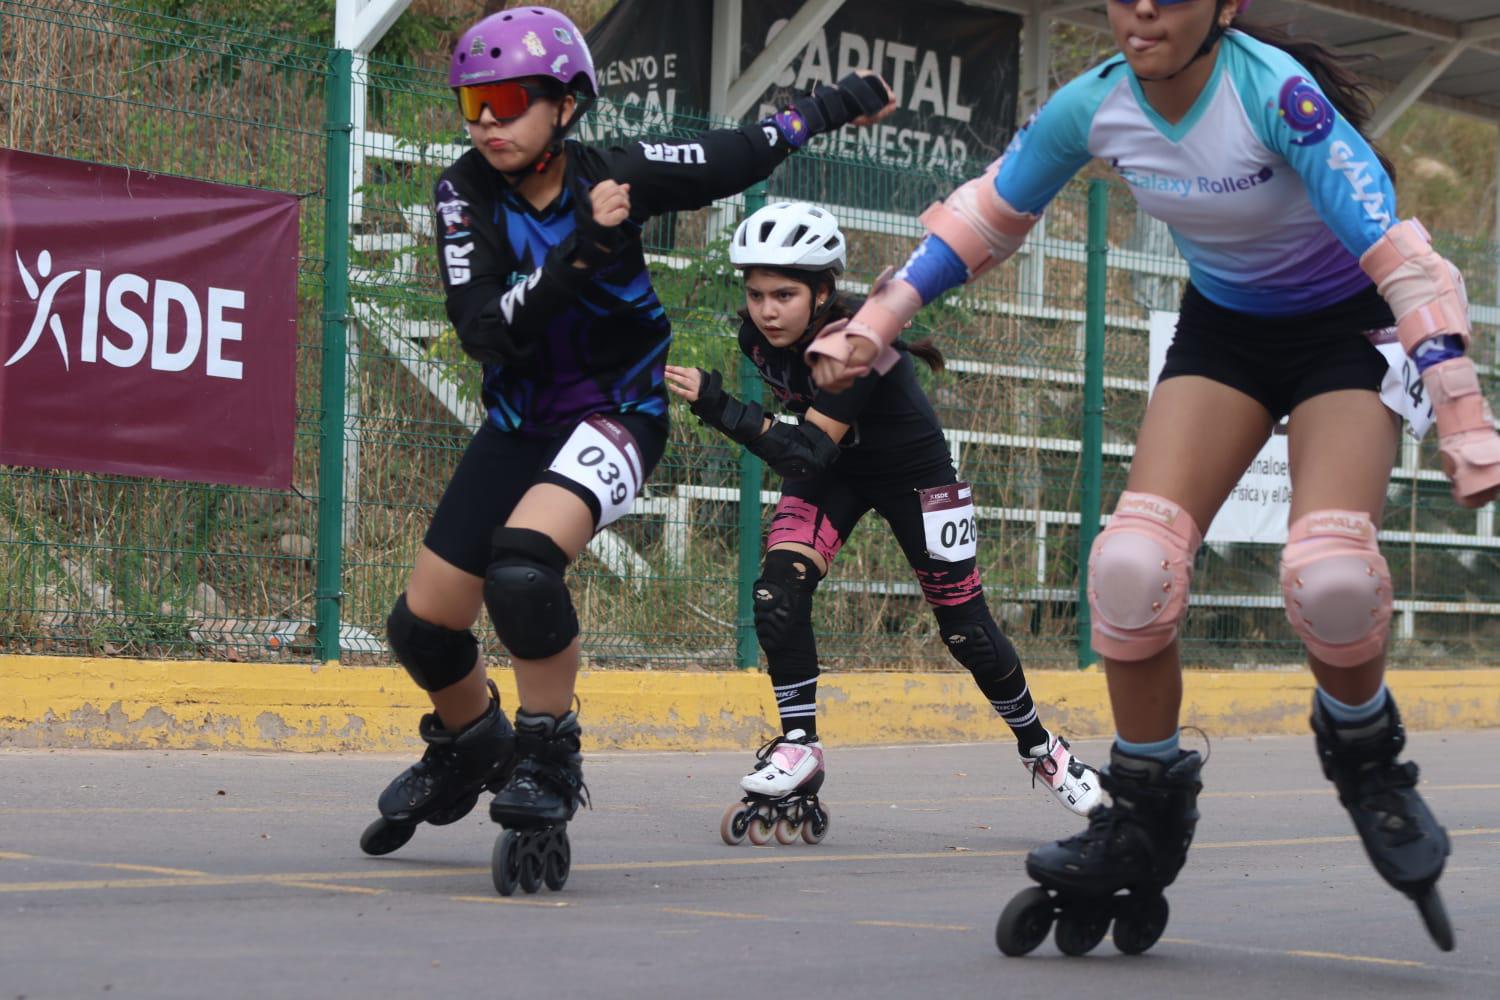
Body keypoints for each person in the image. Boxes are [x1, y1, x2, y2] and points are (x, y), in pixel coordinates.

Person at [804, 0, 1493, 954]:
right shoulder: (1094, 105)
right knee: (1132, 565)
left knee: (1333, 577)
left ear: (1224, 7)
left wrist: (1460, 406)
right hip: (1230, 333)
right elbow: (986, 216)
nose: (1139, 12)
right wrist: (879, 321)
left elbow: (1402, 262)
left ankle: (1366, 752)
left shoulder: (1278, 100)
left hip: (1348, 327)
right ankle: (1143, 808)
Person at [358, 6, 896, 897]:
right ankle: (471, 743)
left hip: (619, 411)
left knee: (523, 572)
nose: (485, 121)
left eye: (504, 100)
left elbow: (740, 153)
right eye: (471, 104)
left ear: (565, 107)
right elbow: (486, 333)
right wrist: (585, 249)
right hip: (520, 418)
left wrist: (833, 104)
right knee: (422, 626)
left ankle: (545, 755)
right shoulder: (463, 194)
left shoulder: (617, 174)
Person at [664, 201, 1102, 847]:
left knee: (966, 631)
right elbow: (815, 451)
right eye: (756, 294)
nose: (767, 310)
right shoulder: (754, 339)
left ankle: (1043, 750)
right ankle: (798, 745)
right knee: (776, 594)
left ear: (822, 293)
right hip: (834, 467)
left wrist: (720, 406)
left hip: (912, 475)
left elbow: (801, 449)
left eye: (784, 294)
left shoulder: (856, 341)